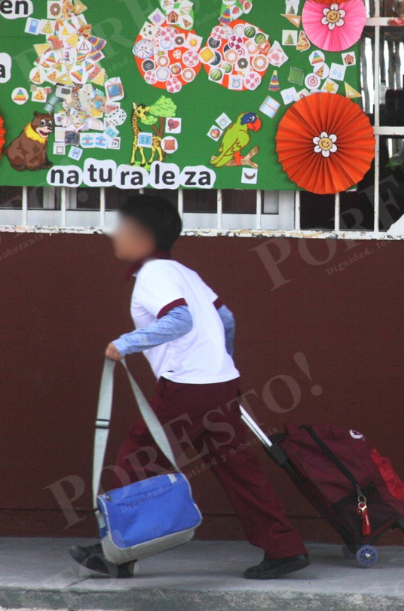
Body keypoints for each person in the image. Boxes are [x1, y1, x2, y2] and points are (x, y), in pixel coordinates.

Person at [69, 194, 311, 581]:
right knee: (238, 469)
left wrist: (124, 344)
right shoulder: (183, 271)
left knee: (137, 461)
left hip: (186, 387)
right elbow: (226, 318)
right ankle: (285, 548)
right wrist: (222, 362)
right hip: (220, 384)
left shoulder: (154, 274)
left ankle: (116, 553)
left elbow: (179, 319)